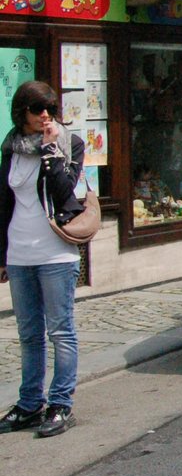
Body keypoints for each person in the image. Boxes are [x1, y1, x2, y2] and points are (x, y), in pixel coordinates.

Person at [0, 82, 87, 438]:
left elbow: (67, 197)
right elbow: (4, 203)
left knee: (60, 330)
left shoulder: (70, 144)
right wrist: (2, 255)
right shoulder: (11, 147)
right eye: (38, 110)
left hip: (56, 252)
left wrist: (52, 152)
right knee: (29, 334)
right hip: (20, 252)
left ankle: (60, 404)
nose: (45, 116)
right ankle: (29, 405)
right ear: (22, 113)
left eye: (50, 109)